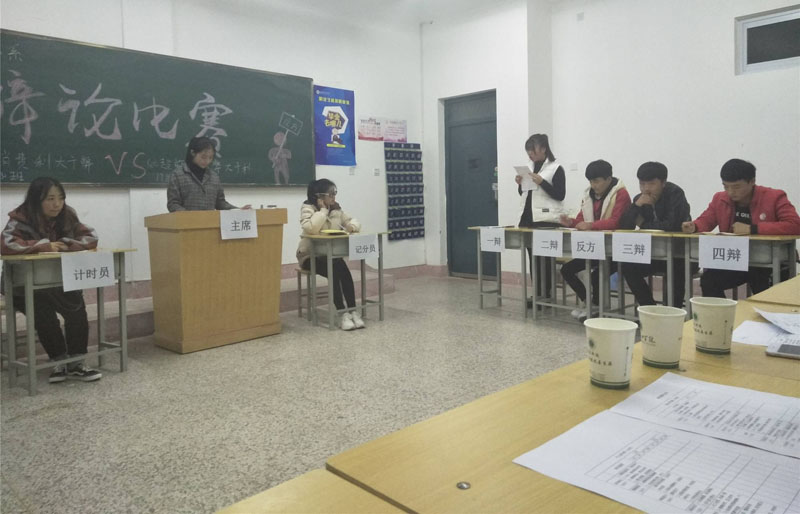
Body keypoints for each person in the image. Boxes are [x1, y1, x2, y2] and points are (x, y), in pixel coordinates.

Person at [1, 177, 102, 383]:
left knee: (76, 309)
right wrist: (44, 246)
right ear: (36, 199)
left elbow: (91, 237)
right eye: (50, 199)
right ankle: (59, 360)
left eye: (61, 198)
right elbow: (6, 244)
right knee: (43, 314)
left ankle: (76, 362)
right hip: (22, 285)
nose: (57, 204)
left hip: (57, 281)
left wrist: (65, 243)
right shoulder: (20, 218)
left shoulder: (67, 215)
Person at [682, 158, 800, 297]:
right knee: (709, 280)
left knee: (764, 289)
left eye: (736, 187)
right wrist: (694, 226)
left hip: (769, 261)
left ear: (752, 181)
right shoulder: (720, 199)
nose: (730, 192)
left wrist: (753, 229)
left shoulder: (774, 197)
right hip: (736, 260)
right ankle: (723, 311)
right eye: (726, 186)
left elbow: (795, 225)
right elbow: (707, 219)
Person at [559, 160, 631, 319]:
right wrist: (571, 222)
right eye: (591, 181)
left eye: (597, 181)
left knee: (597, 275)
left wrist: (591, 225)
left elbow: (617, 222)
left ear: (608, 179)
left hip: (616, 249)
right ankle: (589, 303)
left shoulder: (621, 194)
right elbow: (581, 220)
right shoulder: (589, 195)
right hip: (596, 247)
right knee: (566, 270)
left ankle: (596, 307)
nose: (593, 185)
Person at [619, 162, 693, 308]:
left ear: (663, 183)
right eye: (642, 184)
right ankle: (650, 308)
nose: (646, 189)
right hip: (653, 254)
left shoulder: (675, 194)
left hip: (679, 253)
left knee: (676, 269)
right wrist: (636, 206)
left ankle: (673, 311)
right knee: (628, 266)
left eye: (651, 184)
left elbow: (672, 225)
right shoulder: (639, 199)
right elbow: (624, 227)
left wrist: (644, 224)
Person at [296, 179, 364, 331]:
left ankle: (352, 311)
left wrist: (351, 226)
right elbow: (310, 228)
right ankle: (342, 314)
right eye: (331, 194)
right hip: (309, 256)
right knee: (333, 272)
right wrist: (322, 212)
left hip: (330, 255)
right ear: (319, 196)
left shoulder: (336, 209)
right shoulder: (308, 208)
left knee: (345, 273)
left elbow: (353, 221)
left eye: (335, 193)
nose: (334, 197)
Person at [514, 134, 566, 306]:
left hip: (545, 220)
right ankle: (537, 293)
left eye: (532, 150)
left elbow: (560, 194)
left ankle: (546, 294)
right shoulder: (528, 167)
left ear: (543, 148)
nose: (530, 153)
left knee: (546, 259)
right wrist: (520, 184)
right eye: (528, 150)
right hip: (528, 218)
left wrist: (542, 182)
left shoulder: (556, 168)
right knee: (533, 258)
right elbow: (525, 194)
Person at [167, 136, 251, 212]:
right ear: (193, 153)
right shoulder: (177, 175)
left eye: (210, 158)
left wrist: (237, 210)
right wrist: (190, 216)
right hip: (185, 223)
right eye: (203, 157)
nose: (207, 161)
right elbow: (173, 204)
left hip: (209, 223)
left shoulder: (214, 177)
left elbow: (220, 203)